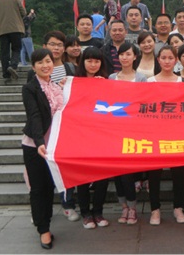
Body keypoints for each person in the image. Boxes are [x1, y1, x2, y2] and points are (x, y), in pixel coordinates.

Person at [27, 31, 78, 221]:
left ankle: (68, 204)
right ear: (45, 45)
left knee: (66, 168)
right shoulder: (33, 75)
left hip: (66, 129)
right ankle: (39, 210)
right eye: (52, 44)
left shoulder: (70, 68)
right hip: (43, 130)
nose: (56, 48)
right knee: (40, 175)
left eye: (59, 45)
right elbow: (32, 106)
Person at [21, 48, 62, 249]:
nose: (45, 65)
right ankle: (43, 230)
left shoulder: (56, 86)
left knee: (49, 186)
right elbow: (34, 116)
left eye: (48, 61)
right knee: (38, 188)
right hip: (35, 145)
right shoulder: (30, 88)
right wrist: (39, 142)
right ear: (33, 67)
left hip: (54, 144)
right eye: (40, 63)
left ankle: (45, 219)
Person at [146, 46, 184, 225]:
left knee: (179, 174)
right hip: (153, 134)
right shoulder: (149, 82)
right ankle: (155, 210)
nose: (166, 61)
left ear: (176, 60)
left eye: (170, 58)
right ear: (158, 60)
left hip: (177, 134)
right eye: (163, 58)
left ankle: (178, 208)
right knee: (153, 175)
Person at [108, 42, 146, 226]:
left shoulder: (141, 79)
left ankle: (132, 207)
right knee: (117, 173)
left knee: (127, 173)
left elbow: (143, 104)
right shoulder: (111, 78)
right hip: (114, 131)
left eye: (128, 54)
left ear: (134, 56)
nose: (124, 57)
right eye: (121, 54)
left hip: (133, 132)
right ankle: (123, 206)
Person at [74, 47, 111, 229]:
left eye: (96, 61)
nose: (93, 64)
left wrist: (103, 85)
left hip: (102, 137)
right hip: (81, 137)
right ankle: (85, 213)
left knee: (102, 177)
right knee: (81, 177)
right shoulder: (74, 82)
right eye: (89, 61)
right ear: (83, 62)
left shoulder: (106, 82)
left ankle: (98, 211)